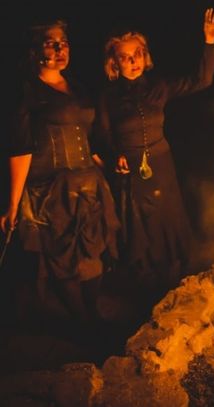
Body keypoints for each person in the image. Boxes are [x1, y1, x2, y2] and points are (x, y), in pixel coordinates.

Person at [0, 19, 120, 331]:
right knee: (62, 261)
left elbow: (87, 133)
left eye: (63, 41)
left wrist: (106, 165)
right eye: (50, 42)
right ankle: (83, 323)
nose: (59, 48)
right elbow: (21, 148)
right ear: (34, 50)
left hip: (88, 184)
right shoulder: (26, 91)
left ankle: (91, 314)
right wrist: (13, 204)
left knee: (92, 253)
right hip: (50, 190)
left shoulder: (77, 87)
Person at [95, 8, 214, 304]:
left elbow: (201, 80)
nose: (132, 61)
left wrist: (210, 41)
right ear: (114, 62)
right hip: (132, 176)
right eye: (124, 57)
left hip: (162, 165)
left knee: (168, 224)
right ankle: (145, 295)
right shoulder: (108, 97)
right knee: (141, 231)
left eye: (136, 54)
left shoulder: (158, 87)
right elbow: (102, 137)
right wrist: (116, 157)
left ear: (144, 55)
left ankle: (175, 288)